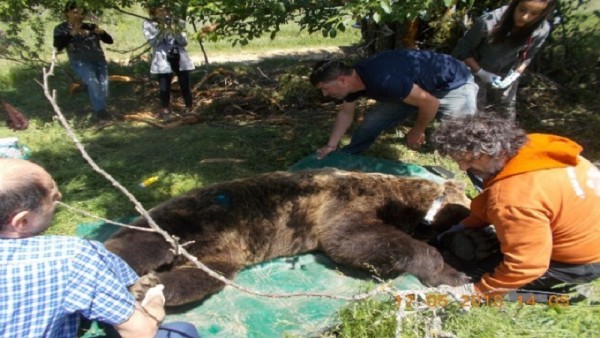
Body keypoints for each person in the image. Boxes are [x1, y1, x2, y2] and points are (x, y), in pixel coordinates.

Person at [0, 158, 201, 338]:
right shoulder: (70, 257)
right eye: (53, 197)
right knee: (182, 333)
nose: (60, 196)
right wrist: (155, 299)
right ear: (22, 221)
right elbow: (140, 331)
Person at [431, 114, 600, 301]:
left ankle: (567, 296)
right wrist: (467, 224)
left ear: (497, 152)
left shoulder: (514, 197)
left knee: (467, 273)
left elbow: (527, 265)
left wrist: (476, 293)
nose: (462, 168)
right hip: (586, 232)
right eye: (459, 160)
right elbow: (493, 195)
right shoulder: (537, 147)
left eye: (470, 160)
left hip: (578, 262)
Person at [309, 49, 478, 159]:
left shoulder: (384, 80)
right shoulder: (355, 82)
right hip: (413, 89)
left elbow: (430, 103)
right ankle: (347, 157)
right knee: (372, 121)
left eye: (325, 88)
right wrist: (331, 146)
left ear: (342, 81)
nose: (325, 94)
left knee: (464, 138)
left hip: (453, 84)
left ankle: (485, 180)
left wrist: (417, 131)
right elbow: (346, 113)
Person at [452, 0, 555, 119]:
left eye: (534, 13)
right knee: (475, 108)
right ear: (514, 5)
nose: (525, 17)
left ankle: (510, 136)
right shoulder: (489, 21)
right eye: (522, 10)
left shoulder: (542, 29)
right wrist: (481, 72)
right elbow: (462, 50)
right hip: (475, 68)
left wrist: (516, 74)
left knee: (507, 107)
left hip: (508, 70)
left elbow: (529, 55)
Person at [53, 1, 113, 123]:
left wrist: (102, 33)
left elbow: (109, 41)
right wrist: (71, 34)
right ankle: (101, 114)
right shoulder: (61, 28)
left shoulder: (90, 26)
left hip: (98, 60)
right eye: (74, 12)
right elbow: (58, 46)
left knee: (103, 87)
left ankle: (85, 89)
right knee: (93, 82)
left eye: (80, 13)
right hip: (80, 61)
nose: (77, 15)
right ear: (67, 13)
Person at [143, 3, 195, 120]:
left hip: (179, 56)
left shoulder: (178, 22)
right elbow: (153, 43)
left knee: (185, 84)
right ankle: (165, 110)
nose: (164, 13)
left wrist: (174, 29)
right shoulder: (148, 24)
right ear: (154, 11)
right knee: (164, 86)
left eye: (166, 10)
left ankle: (189, 108)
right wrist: (162, 30)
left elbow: (184, 42)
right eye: (160, 10)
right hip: (162, 58)